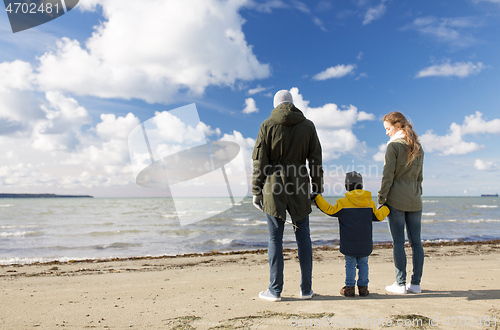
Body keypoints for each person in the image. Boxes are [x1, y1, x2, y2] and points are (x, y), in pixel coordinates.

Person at [252, 90, 323, 302]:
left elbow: (259, 161)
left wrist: (256, 190)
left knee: (275, 238)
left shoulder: (267, 125)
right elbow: (316, 160)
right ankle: (306, 289)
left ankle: (275, 291)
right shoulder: (308, 125)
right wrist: (317, 188)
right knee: (304, 237)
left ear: (275, 104)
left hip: (273, 184)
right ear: (292, 103)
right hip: (300, 182)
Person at [313, 171, 389, 297]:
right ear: (362, 186)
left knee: (350, 264)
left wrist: (317, 197)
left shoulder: (343, 202)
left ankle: (349, 288)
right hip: (365, 242)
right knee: (364, 264)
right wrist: (387, 207)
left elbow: (329, 210)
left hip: (348, 242)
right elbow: (379, 217)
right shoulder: (369, 203)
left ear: (346, 186)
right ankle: (363, 288)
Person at [378, 111, 424, 294]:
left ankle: (400, 283)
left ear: (398, 126)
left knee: (398, 241)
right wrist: (416, 194)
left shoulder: (393, 147)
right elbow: (420, 178)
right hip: (415, 200)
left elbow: (387, 176)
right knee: (416, 242)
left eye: (388, 128)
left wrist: (381, 199)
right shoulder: (417, 147)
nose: (387, 132)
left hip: (396, 200)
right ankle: (416, 284)